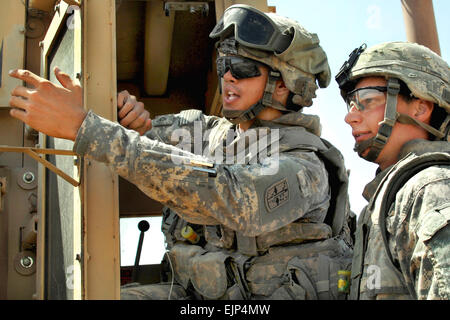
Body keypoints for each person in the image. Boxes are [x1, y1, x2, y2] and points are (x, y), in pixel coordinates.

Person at [9, 5, 353, 300]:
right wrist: (125, 117)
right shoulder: (207, 133)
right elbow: (149, 138)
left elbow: (230, 195)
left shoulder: (306, 167)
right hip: (194, 294)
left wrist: (87, 128)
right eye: (224, 66)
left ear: (284, 85)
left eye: (244, 69)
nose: (228, 77)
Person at [336, 41, 450, 300]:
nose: (350, 117)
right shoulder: (388, 200)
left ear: (421, 107)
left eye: (367, 100)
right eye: (351, 103)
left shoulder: (431, 189)